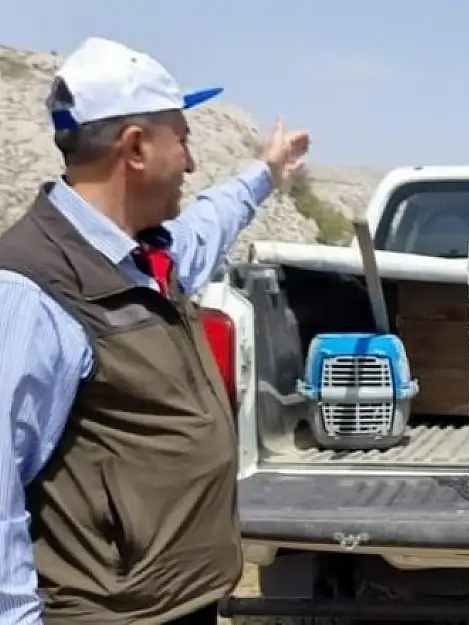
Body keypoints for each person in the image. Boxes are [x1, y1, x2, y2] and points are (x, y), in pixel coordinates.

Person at [0, 37, 309, 624]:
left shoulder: (142, 255)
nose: (190, 164)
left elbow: (207, 223)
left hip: (171, 607)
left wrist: (266, 173)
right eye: (183, 140)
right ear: (136, 148)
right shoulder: (31, 289)